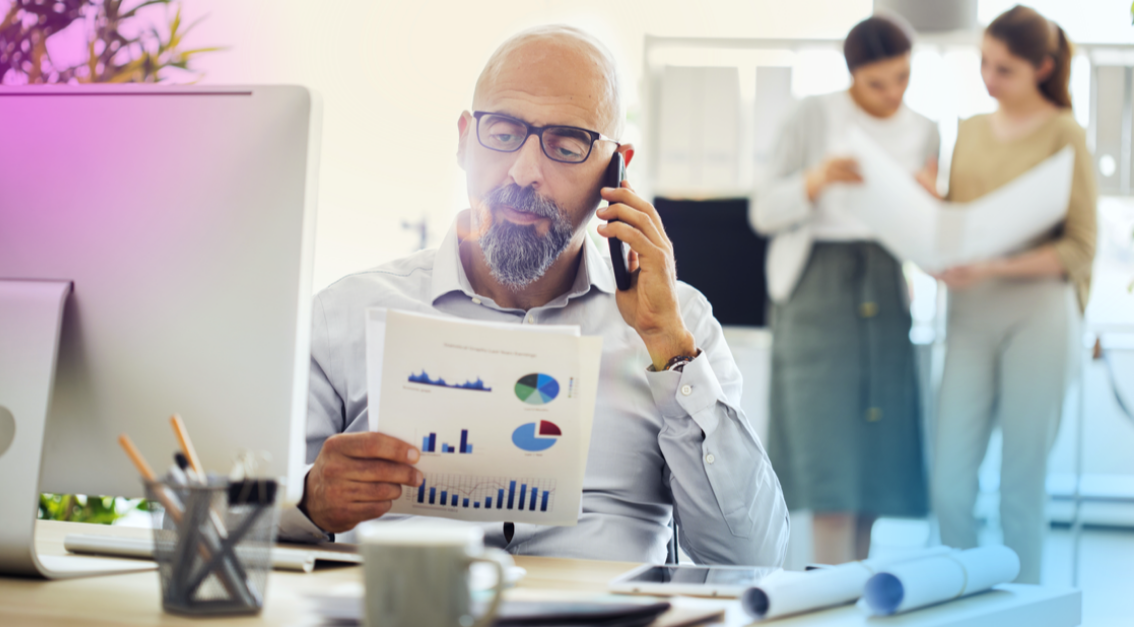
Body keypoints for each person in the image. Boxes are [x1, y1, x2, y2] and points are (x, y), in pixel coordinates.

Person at [278, 25, 790, 566]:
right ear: (463, 140)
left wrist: (669, 347)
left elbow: (751, 558)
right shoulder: (342, 317)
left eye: (567, 145)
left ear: (617, 169)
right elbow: (230, 529)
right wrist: (308, 502)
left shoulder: (678, 325)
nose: (524, 173)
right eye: (502, 133)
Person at [751, 15, 937, 565]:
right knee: (828, 468)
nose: (892, 94)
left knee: (875, 470)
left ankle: (857, 596)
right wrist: (818, 178)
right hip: (816, 292)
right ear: (852, 75)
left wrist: (931, 203)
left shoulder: (926, 129)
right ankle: (833, 598)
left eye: (902, 78)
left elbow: (927, 235)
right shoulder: (814, 115)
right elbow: (762, 211)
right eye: (877, 84)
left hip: (884, 290)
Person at [930, 5, 1096, 584]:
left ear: (1043, 68)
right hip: (969, 315)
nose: (989, 79)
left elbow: (1079, 246)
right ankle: (968, 597)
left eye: (1005, 69)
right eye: (983, 63)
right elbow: (953, 224)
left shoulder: (1066, 132)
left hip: (1038, 314)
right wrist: (928, 215)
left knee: (1021, 489)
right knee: (949, 484)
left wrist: (997, 263)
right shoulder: (970, 129)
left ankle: (1024, 610)